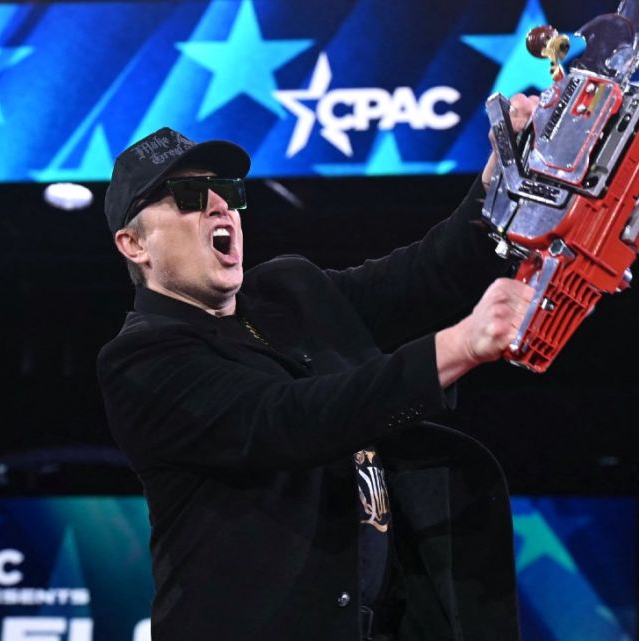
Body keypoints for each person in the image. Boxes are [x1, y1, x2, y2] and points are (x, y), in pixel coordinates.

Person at [98, 94, 539, 641]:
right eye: (189, 195)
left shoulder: (291, 293)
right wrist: (460, 346)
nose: (221, 207)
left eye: (229, 191)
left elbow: (429, 272)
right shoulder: (140, 361)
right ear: (133, 244)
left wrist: (509, 170)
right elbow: (290, 419)